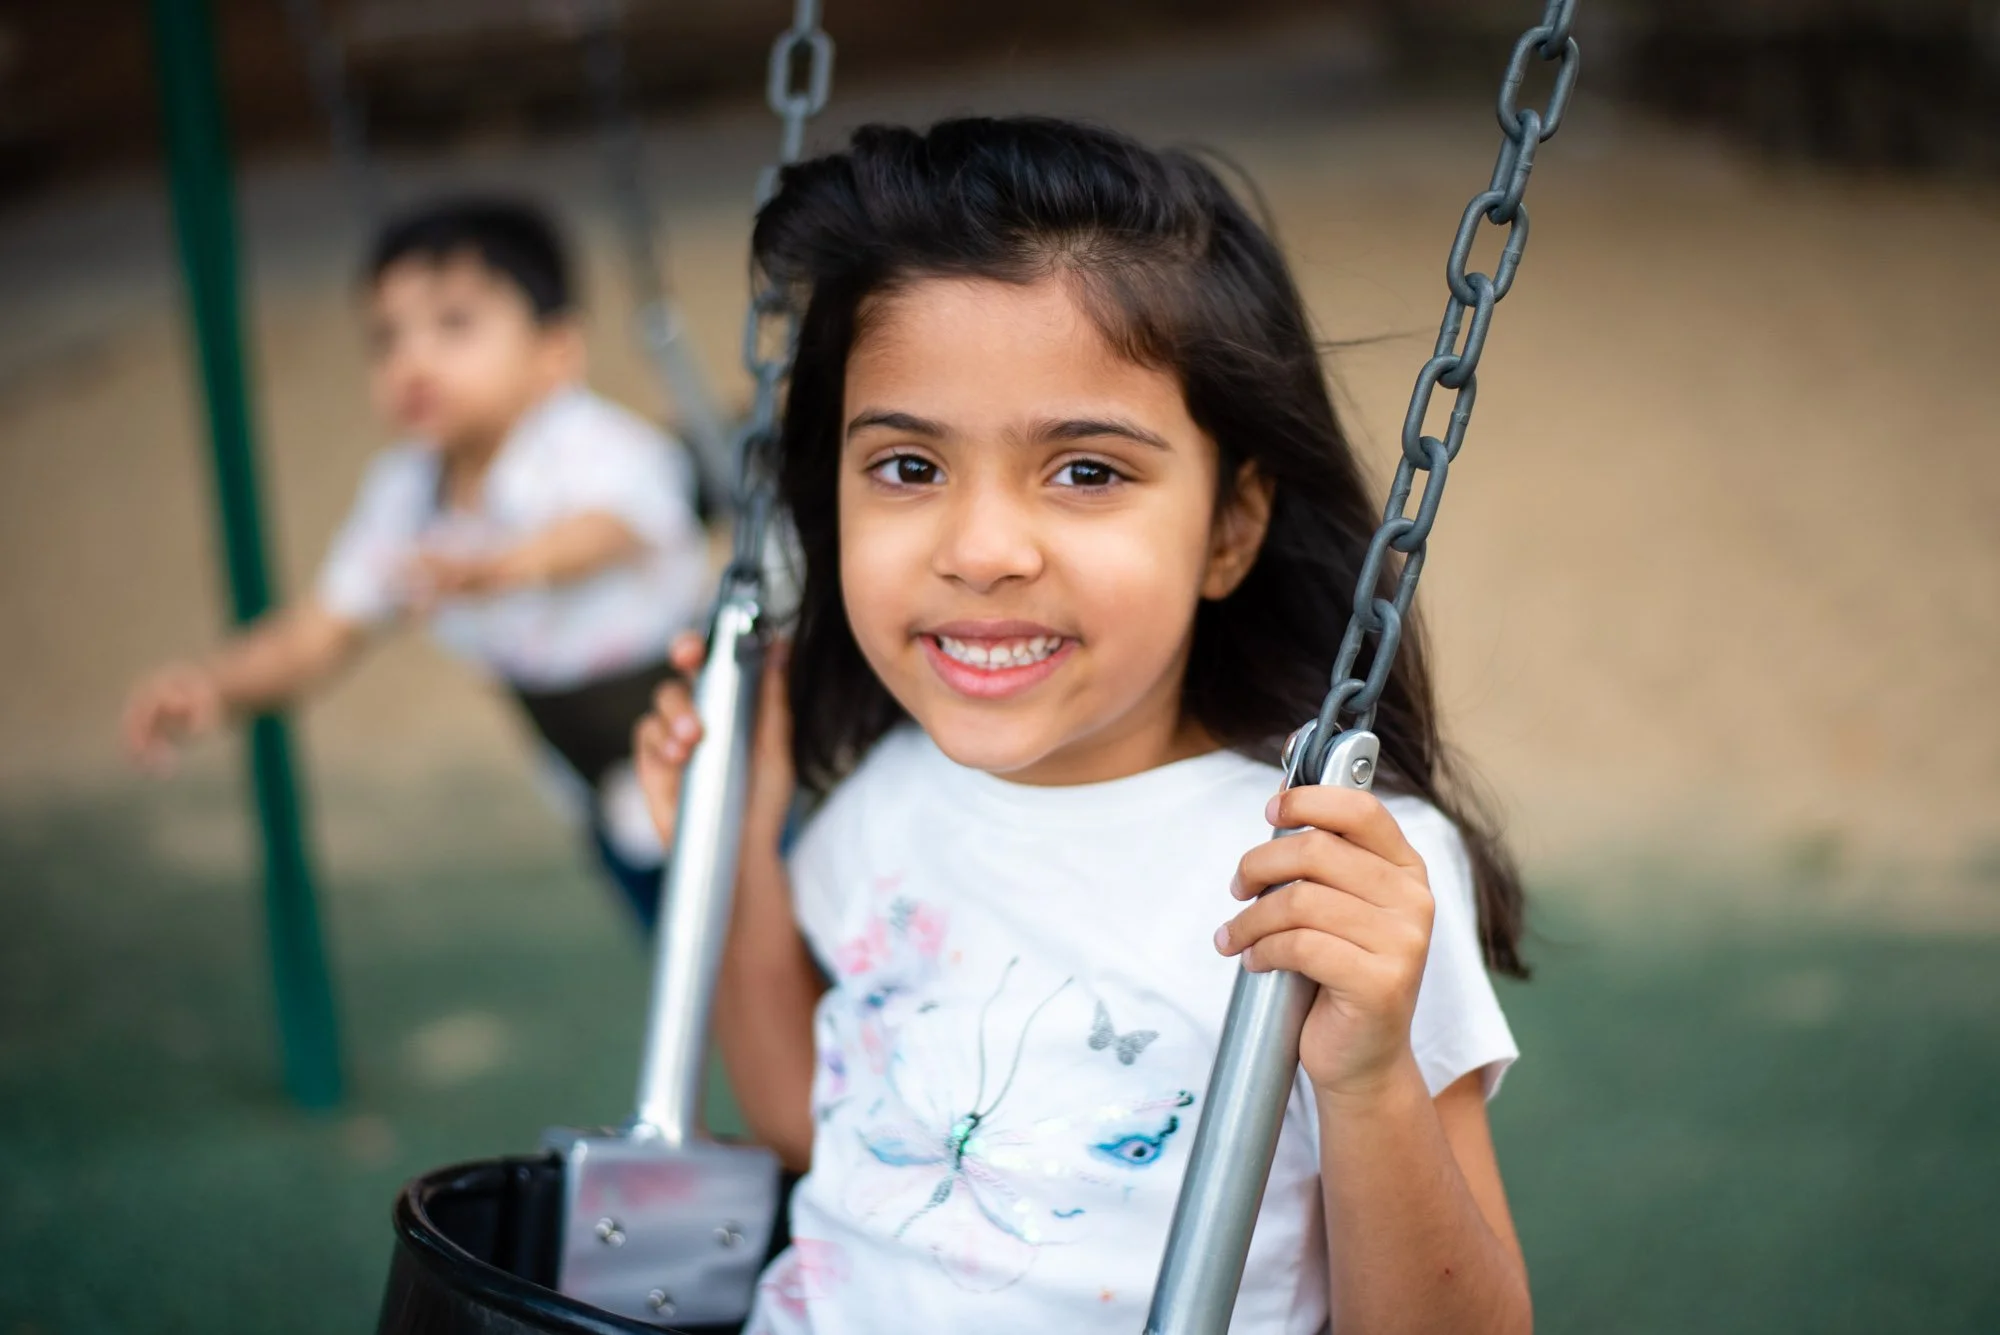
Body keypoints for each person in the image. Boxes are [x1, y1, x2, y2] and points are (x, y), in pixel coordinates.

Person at [635, 118, 1533, 1333]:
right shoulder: (885, 806)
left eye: (1087, 472)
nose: (981, 551)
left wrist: (1369, 1079)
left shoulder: (1328, 867)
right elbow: (812, 1123)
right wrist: (742, 850)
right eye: (907, 467)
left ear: (1228, 529)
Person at [123, 197, 708, 929]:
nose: (413, 361)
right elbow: (319, 633)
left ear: (555, 352)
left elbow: (610, 530)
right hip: (598, 784)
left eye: (454, 324)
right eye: (385, 339)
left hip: (715, 741)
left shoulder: (592, 445)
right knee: (682, 956)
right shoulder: (405, 497)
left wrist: (502, 567)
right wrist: (218, 683)